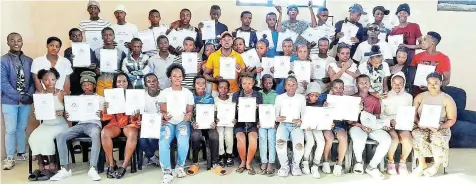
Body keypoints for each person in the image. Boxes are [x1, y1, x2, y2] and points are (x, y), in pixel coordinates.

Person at [50, 71, 103, 181]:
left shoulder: (100, 99)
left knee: (95, 134)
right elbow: (71, 115)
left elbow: (105, 117)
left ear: (94, 85)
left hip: (94, 124)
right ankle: (65, 169)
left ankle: (93, 168)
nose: (86, 87)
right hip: (80, 124)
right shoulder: (77, 99)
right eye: (84, 85)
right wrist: (67, 114)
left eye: (89, 84)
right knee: (61, 136)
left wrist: (102, 114)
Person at [412, 72, 457, 177]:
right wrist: (418, 122)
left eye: (435, 83)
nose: (432, 85)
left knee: (438, 137)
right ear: (426, 84)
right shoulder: (420, 97)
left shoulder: (447, 99)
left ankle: (436, 165)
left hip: (440, 126)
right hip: (422, 125)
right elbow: (413, 115)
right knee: (418, 135)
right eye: (430, 83)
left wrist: (440, 126)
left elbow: (452, 119)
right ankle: (422, 163)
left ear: (441, 83)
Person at [1, 32, 35, 170]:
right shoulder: (3, 61)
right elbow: (3, 83)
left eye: (19, 40)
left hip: (26, 100)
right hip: (9, 101)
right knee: (10, 129)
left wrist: (29, 95)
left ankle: (21, 152)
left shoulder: (29, 60)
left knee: (22, 127)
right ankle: (9, 157)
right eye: (12, 40)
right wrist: (19, 96)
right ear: (7, 42)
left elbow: (33, 81)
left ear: (22, 42)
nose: (16, 43)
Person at [28, 68, 69, 180]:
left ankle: (52, 166)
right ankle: (42, 166)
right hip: (45, 124)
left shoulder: (61, 94)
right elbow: (39, 115)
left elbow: (70, 113)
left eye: (52, 79)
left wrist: (63, 112)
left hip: (60, 124)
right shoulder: (40, 95)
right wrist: (37, 113)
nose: (49, 82)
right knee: (34, 137)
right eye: (46, 80)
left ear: (56, 80)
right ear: (42, 81)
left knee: (48, 138)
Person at [349, 74, 391, 180]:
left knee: (386, 139)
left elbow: (377, 116)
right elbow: (349, 120)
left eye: (366, 82)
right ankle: (359, 162)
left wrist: (379, 125)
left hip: (372, 126)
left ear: (370, 83)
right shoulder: (352, 98)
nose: (364, 85)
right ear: (357, 84)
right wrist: (361, 125)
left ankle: (372, 166)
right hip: (356, 126)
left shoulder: (375, 99)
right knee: (359, 139)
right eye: (361, 83)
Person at [158, 64, 194, 184]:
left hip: (182, 121)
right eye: (174, 76)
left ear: (183, 78)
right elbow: (162, 110)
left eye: (180, 76)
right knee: (164, 141)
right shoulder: (165, 92)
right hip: (169, 122)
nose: (177, 78)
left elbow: (189, 110)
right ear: (170, 78)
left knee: (183, 140)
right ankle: (167, 172)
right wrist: (164, 115)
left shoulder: (188, 93)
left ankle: (179, 166)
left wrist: (188, 116)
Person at [100, 72, 140, 179]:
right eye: (118, 82)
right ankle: (111, 164)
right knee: (104, 132)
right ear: (115, 83)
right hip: (115, 123)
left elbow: (137, 119)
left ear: (128, 83)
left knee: (132, 133)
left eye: (124, 81)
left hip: (129, 123)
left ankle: (124, 165)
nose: (121, 84)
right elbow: (106, 118)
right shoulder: (110, 95)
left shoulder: (134, 95)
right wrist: (105, 108)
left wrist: (136, 115)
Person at [188, 76, 224, 176]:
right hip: (196, 125)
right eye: (197, 83)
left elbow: (214, 114)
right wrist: (192, 122)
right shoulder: (190, 97)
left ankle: (215, 163)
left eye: (203, 83)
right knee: (195, 136)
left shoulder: (210, 97)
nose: (200, 85)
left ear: (205, 85)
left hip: (208, 125)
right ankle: (195, 163)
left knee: (215, 135)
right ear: (194, 85)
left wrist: (214, 122)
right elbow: (187, 113)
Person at [380, 72, 413, 175]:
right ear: (391, 83)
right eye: (394, 83)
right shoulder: (385, 96)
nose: (397, 86)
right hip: (389, 123)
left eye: (400, 83)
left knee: (407, 139)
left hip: (403, 123)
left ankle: (403, 162)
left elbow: (409, 113)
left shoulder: (409, 97)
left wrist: (403, 122)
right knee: (394, 139)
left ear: (404, 84)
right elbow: (380, 114)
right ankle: (390, 161)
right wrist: (389, 121)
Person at [275, 75, 306, 177]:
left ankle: (295, 166)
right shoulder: (279, 98)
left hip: (296, 126)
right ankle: (284, 166)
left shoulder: (301, 98)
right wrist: (277, 118)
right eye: (288, 85)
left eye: (293, 85)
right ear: (285, 86)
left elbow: (304, 114)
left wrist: (301, 121)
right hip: (283, 125)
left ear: (297, 86)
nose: (291, 87)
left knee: (299, 147)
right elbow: (276, 114)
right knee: (280, 145)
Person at [233, 72, 262, 175]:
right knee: (241, 139)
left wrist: (259, 121)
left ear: (253, 83)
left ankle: (249, 163)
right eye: (244, 83)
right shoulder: (236, 95)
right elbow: (233, 111)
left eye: (249, 83)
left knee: (253, 140)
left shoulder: (258, 95)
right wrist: (234, 119)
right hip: (240, 123)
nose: (246, 85)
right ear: (241, 83)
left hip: (252, 124)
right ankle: (243, 162)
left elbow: (261, 112)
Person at [318, 79, 348, 176]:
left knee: (343, 137)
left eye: (340, 88)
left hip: (339, 124)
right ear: (331, 88)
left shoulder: (346, 100)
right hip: (326, 124)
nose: (338, 90)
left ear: (343, 89)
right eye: (336, 87)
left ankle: (339, 164)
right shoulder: (325, 98)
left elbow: (349, 116)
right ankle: (325, 161)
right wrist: (324, 107)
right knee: (329, 138)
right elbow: (317, 113)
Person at [204, 31, 246, 97]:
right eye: (224, 39)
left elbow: (244, 76)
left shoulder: (238, 56)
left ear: (232, 42)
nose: (226, 41)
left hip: (233, 91)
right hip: (217, 90)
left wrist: (240, 71)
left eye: (229, 39)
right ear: (220, 42)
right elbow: (205, 74)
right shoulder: (213, 56)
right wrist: (215, 79)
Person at [302, 82, 326, 178]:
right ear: (308, 94)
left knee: (321, 142)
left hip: (316, 126)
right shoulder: (303, 102)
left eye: (316, 96)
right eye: (312, 95)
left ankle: (315, 165)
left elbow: (324, 116)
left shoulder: (320, 103)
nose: (314, 98)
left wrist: (325, 108)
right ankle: (305, 161)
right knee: (310, 141)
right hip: (306, 126)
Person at [64, 28, 99, 95]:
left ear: (82, 37)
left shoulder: (89, 49)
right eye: (74, 36)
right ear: (70, 37)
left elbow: (95, 63)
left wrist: (94, 65)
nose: (77, 38)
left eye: (79, 35)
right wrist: (71, 60)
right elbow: (67, 66)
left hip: (87, 77)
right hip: (74, 78)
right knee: (76, 97)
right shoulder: (68, 51)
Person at [94, 27, 127, 96]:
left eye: (110, 35)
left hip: (115, 82)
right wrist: (96, 71)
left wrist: (119, 72)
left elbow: (124, 69)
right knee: (101, 103)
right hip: (101, 81)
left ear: (114, 36)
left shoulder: (121, 52)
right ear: (102, 37)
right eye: (105, 35)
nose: (108, 37)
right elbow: (93, 68)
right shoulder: (96, 52)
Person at [140, 73, 161, 166]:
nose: (152, 83)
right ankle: (152, 157)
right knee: (142, 140)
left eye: (154, 81)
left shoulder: (164, 94)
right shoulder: (142, 97)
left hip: (161, 124)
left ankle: (149, 155)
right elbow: (140, 113)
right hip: (147, 124)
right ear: (145, 84)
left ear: (158, 82)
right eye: (149, 81)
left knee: (152, 138)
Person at [257, 74, 277, 176]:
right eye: (265, 83)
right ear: (262, 83)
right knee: (262, 138)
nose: (268, 84)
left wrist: (276, 123)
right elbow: (256, 109)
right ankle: (264, 161)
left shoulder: (276, 94)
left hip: (272, 123)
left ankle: (271, 162)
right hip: (262, 123)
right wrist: (257, 121)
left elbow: (278, 110)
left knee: (272, 138)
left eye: (270, 83)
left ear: (273, 83)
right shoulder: (258, 94)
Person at [215, 80, 235, 167]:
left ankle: (229, 154)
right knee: (219, 135)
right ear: (217, 89)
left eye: (226, 88)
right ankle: (221, 155)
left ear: (229, 89)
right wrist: (215, 119)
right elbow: (214, 113)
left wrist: (235, 119)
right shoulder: (215, 100)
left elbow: (236, 112)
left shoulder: (232, 99)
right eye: (221, 87)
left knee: (229, 134)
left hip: (229, 123)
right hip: (219, 123)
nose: (223, 90)